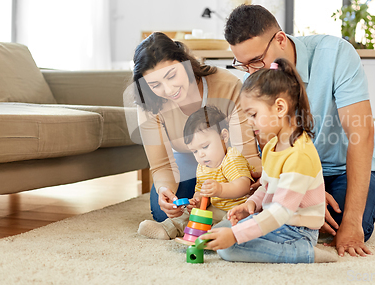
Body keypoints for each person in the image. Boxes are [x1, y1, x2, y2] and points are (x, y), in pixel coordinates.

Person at [222, 4, 375, 257]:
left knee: (341, 227)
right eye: (244, 65)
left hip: (343, 169)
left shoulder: (336, 54)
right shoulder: (255, 79)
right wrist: (304, 194)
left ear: (280, 40)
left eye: (257, 61)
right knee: (254, 214)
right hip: (294, 172)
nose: (252, 73)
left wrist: (351, 222)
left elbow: (361, 135)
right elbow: (268, 148)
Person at [201, 59, 337, 263]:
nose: (249, 122)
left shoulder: (299, 154)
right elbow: (267, 186)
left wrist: (236, 235)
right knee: (219, 232)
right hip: (275, 219)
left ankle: (303, 252)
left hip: (296, 230)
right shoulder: (272, 145)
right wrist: (251, 204)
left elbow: (281, 211)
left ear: (280, 107)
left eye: (253, 114)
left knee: (229, 249)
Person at [132, 32, 261, 223]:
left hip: (230, 161)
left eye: (172, 75)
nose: (168, 90)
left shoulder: (226, 85)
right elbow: (161, 166)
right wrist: (164, 190)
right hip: (185, 160)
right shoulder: (148, 104)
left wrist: (260, 180)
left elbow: (247, 154)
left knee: (247, 202)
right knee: (165, 213)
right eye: (155, 84)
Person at [137, 105, 255, 240]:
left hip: (236, 211)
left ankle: (215, 236)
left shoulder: (232, 158)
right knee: (191, 217)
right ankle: (167, 228)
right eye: (195, 151)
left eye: (205, 146)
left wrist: (220, 189)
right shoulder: (203, 166)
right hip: (215, 209)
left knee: (228, 223)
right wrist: (197, 201)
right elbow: (200, 191)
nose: (201, 155)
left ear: (224, 136)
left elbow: (244, 186)